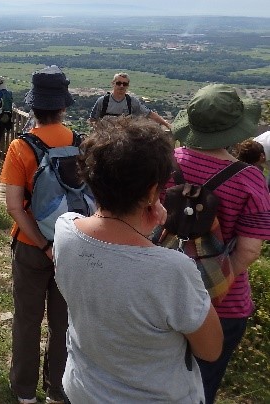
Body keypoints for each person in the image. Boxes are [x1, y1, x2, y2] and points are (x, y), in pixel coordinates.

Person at [55, 116, 224, 402]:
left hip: (83, 389)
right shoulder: (173, 269)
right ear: (151, 191)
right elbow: (211, 349)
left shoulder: (65, 229)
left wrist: (139, 229)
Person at [169, 84, 270, 404]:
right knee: (201, 386)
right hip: (222, 305)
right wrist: (215, 282)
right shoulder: (249, 178)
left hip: (164, 289)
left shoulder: (169, 163)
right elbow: (250, 250)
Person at [0, 65, 76, 404]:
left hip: (32, 246)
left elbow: (15, 207)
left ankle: (24, 391)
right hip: (72, 245)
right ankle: (57, 389)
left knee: (28, 320)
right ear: (62, 106)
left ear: (34, 107)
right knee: (63, 323)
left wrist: (43, 244)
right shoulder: (79, 142)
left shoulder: (21, 147)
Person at [89, 72, 171, 130]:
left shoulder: (132, 102)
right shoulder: (102, 101)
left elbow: (149, 114)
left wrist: (166, 124)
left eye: (125, 84)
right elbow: (93, 120)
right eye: (118, 83)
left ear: (127, 86)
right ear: (113, 83)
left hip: (125, 140)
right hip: (105, 138)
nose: (121, 86)